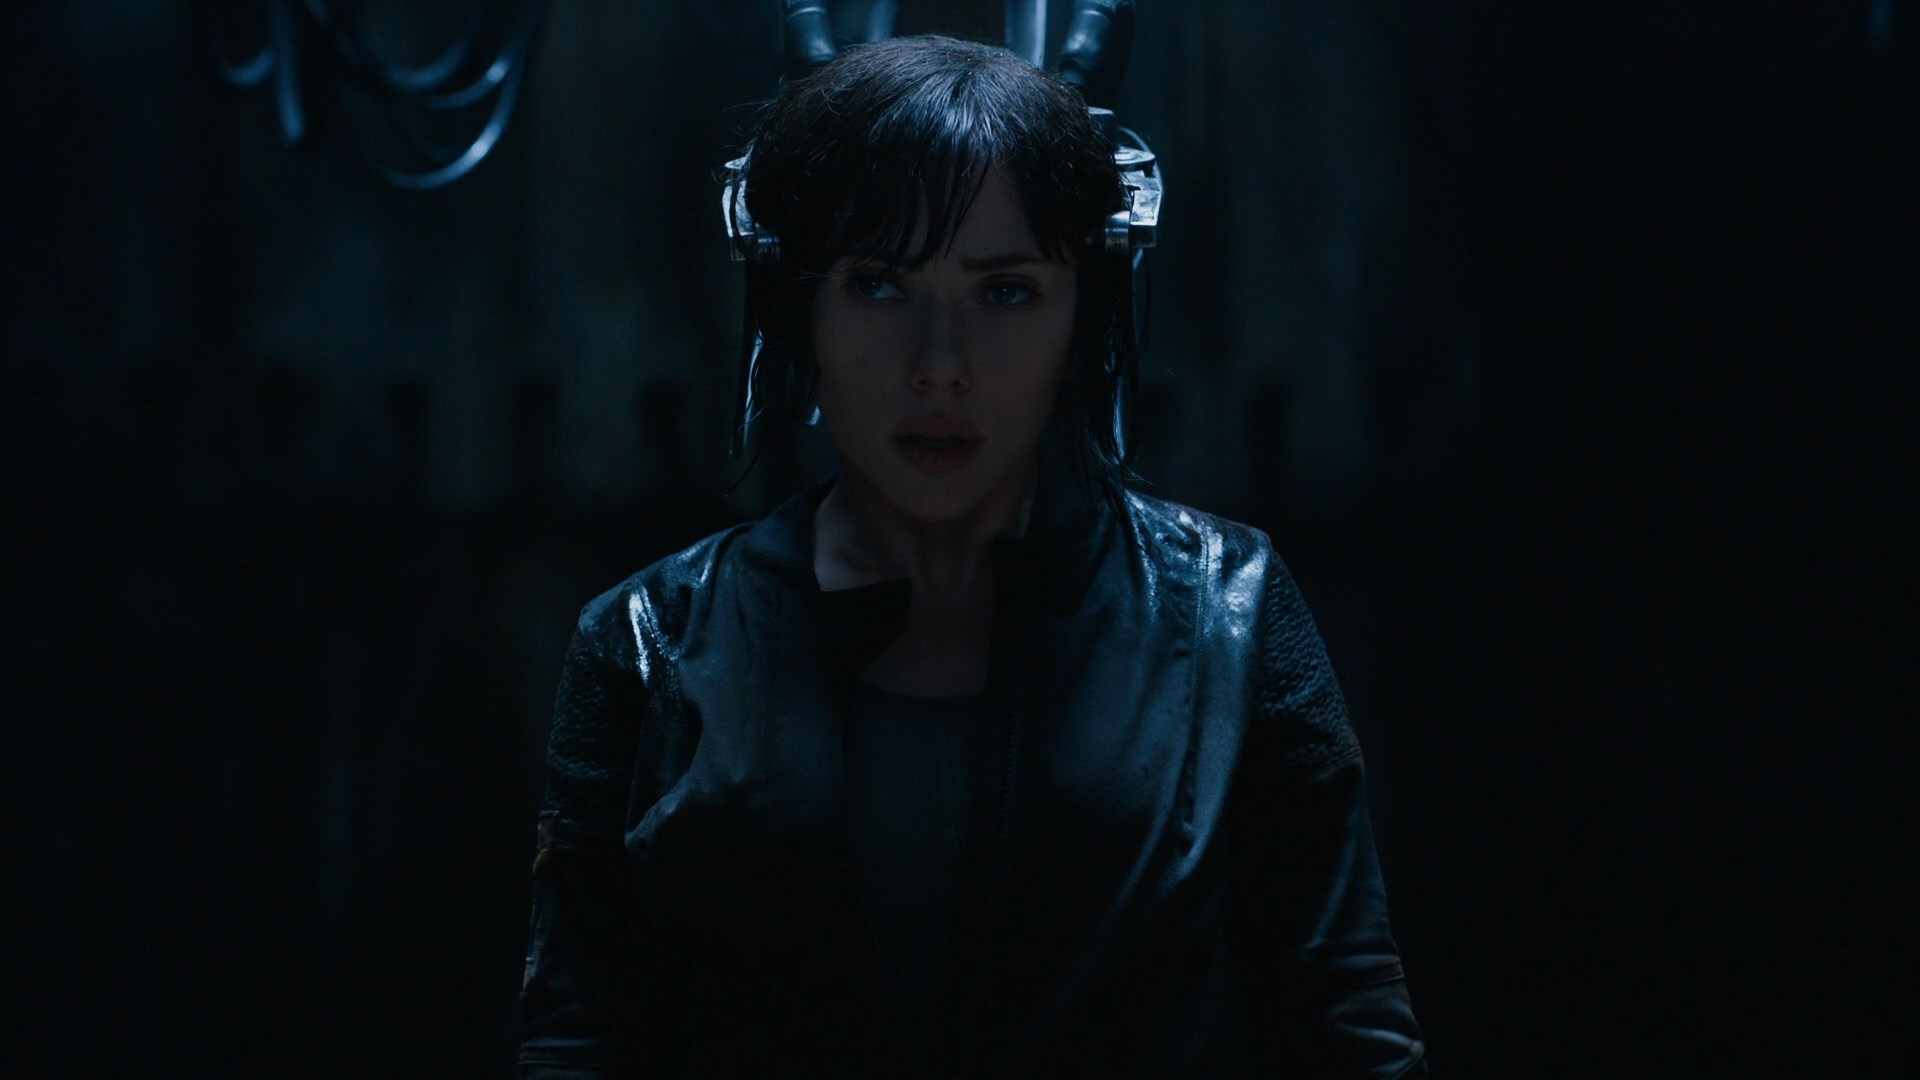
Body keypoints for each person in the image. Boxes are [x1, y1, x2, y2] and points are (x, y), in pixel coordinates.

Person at [518, 34, 1426, 1078]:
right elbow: (578, 1041)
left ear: (1082, 310)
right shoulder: (647, 646)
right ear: (799, 307)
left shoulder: (1232, 613)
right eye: (879, 284)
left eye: (1004, 292)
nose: (940, 366)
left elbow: (1347, 1027)